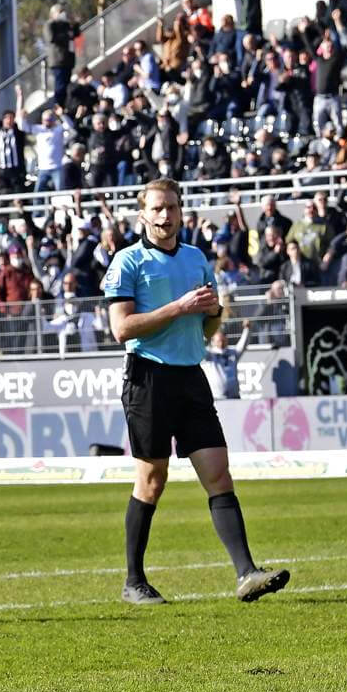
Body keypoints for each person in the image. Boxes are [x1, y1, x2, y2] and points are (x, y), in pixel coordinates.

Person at [103, 177, 290, 606]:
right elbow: (121, 328)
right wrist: (178, 308)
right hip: (148, 378)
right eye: (156, 208)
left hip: (191, 376)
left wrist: (213, 313)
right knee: (152, 480)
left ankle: (247, 574)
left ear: (180, 211)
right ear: (143, 214)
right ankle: (134, 582)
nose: (165, 216)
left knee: (219, 474)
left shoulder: (195, 259)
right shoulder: (128, 261)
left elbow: (207, 327)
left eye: (171, 207)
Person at [203, 321, 250, 400]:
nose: (221, 343)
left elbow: (243, 344)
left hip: (234, 396)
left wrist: (247, 329)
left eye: (223, 340)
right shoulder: (210, 354)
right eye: (218, 341)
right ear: (213, 341)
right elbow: (199, 347)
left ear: (226, 340)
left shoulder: (233, 353)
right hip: (217, 397)